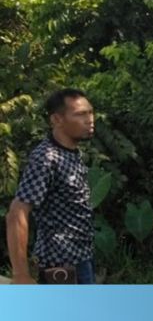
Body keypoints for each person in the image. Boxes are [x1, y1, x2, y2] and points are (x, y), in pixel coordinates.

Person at [5, 88, 96, 284]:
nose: (89, 119)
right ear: (56, 120)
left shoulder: (70, 152)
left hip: (81, 258)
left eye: (90, 112)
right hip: (61, 266)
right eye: (80, 114)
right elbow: (17, 212)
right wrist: (21, 275)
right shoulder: (46, 158)